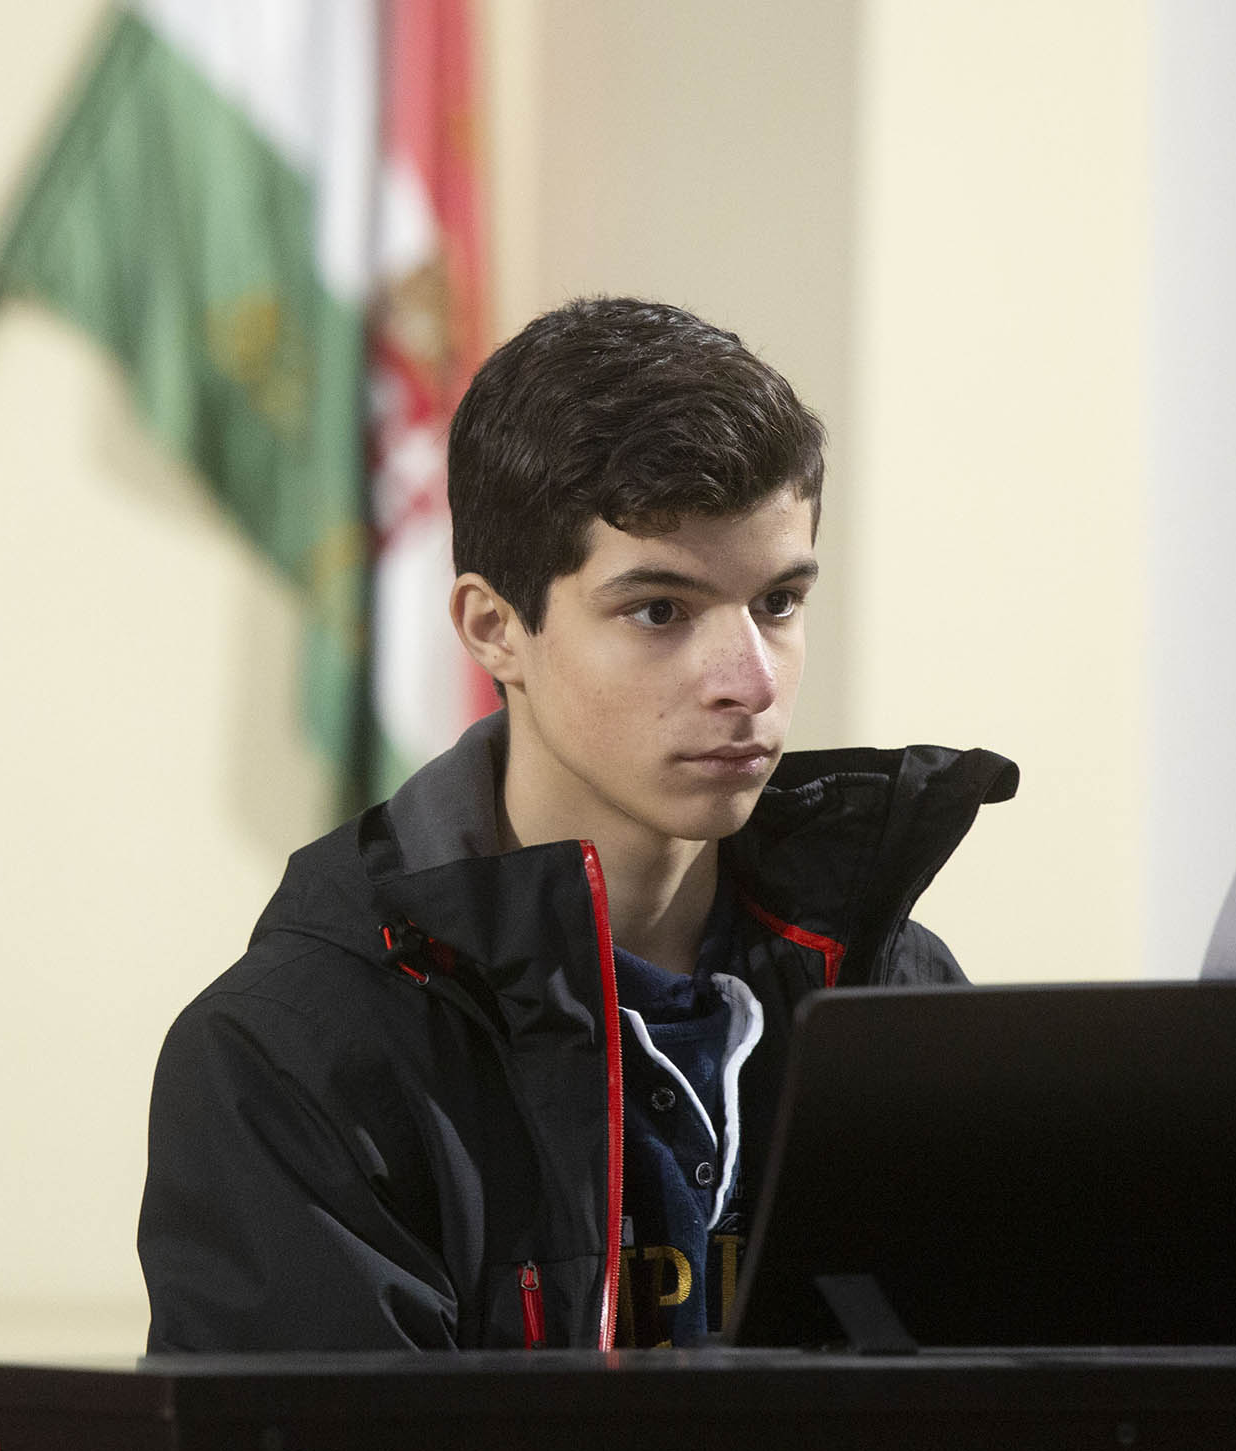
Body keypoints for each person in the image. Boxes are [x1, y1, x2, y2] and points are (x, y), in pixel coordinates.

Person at [137, 297, 1018, 1352]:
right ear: (494, 628)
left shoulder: (896, 996)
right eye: (660, 611)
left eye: (778, 603)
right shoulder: (291, 1057)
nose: (748, 682)